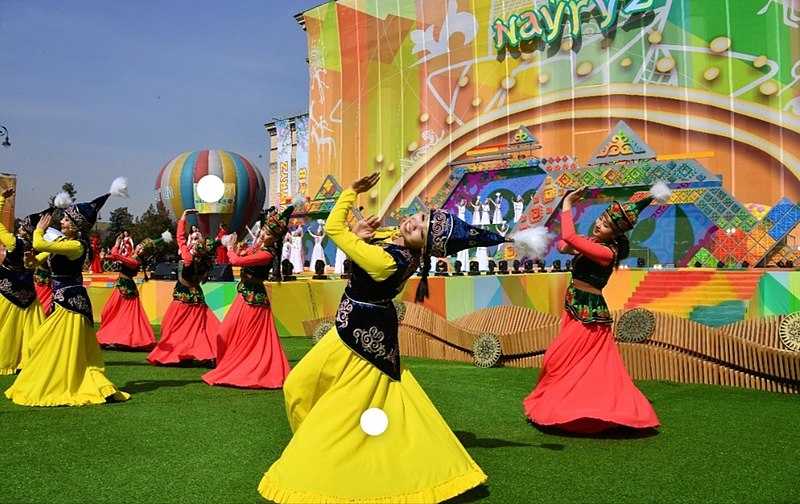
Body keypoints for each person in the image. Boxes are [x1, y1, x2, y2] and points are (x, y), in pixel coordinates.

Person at [257, 173, 523, 503]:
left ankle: (319, 463)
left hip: (360, 346)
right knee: (299, 389)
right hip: (351, 332)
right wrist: (361, 236)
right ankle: (312, 450)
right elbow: (358, 242)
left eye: (423, 230)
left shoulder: (388, 262)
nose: (414, 223)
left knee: (328, 409)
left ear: (426, 248)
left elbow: (334, 232)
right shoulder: (393, 243)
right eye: (422, 217)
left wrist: (351, 193)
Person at [523, 184, 667, 434]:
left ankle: (576, 410)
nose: (600, 224)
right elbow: (563, 246)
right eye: (601, 219)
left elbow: (568, 238)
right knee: (566, 362)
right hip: (574, 307)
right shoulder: (593, 242)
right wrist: (572, 245)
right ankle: (565, 407)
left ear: (615, 234)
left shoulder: (605, 252)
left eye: (607, 225)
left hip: (589, 316)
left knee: (557, 358)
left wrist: (567, 205)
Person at [5, 178, 130, 406]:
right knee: (48, 345)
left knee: (51, 344)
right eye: (63, 218)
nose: (61, 221)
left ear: (75, 224)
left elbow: (42, 245)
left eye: (65, 219)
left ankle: (74, 384)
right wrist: (31, 259)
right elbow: (39, 259)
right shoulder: (64, 241)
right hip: (64, 303)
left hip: (72, 305)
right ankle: (90, 383)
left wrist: (39, 231)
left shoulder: (76, 246)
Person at [202, 208, 292, 389]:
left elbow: (236, 262)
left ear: (276, 238)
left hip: (254, 300)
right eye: (265, 230)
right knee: (226, 333)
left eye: (269, 233)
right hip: (244, 295)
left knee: (244, 337)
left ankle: (243, 370)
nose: (264, 234)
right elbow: (241, 256)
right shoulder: (258, 248)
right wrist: (238, 248)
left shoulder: (267, 254)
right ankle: (229, 365)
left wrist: (229, 248)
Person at [147, 210, 220, 366]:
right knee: (200, 328)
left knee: (175, 327)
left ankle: (180, 353)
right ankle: (203, 353)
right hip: (197, 297)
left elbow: (180, 238)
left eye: (197, 241)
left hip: (182, 297)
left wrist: (183, 217)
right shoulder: (207, 263)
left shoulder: (187, 258)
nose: (194, 242)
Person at [96, 232, 171, 350]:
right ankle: (115, 337)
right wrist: (105, 257)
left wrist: (117, 243)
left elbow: (116, 254)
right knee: (109, 312)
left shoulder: (134, 261)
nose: (138, 246)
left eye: (141, 246)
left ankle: (116, 339)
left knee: (117, 314)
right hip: (122, 287)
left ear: (143, 251)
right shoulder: (132, 257)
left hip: (126, 290)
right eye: (140, 244)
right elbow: (116, 257)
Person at [0, 188, 44, 375]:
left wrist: (1, 199)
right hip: (27, 293)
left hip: (6, 290)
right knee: (28, 330)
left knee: (6, 328)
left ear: (23, 228)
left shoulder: (12, 242)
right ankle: (28, 360)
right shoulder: (36, 246)